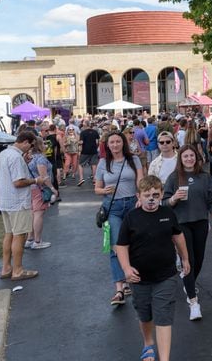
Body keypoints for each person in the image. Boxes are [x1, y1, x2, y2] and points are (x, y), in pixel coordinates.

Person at [115, 176, 191, 361]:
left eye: (155, 195)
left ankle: (164, 358)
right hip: (139, 278)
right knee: (144, 313)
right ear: (138, 196)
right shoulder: (131, 218)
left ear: (162, 195)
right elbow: (121, 246)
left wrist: (185, 258)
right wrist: (126, 269)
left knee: (163, 315)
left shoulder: (168, 214)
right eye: (147, 195)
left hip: (166, 275)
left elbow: (178, 236)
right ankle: (148, 343)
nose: (151, 199)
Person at [163, 145, 212, 320]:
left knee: (199, 259)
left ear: (197, 158)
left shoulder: (204, 177)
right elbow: (165, 202)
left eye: (192, 156)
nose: (189, 159)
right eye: (185, 156)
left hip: (201, 223)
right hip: (181, 225)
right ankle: (193, 302)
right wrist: (174, 198)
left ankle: (188, 282)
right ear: (180, 159)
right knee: (188, 260)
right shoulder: (174, 178)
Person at [95, 131, 144, 306]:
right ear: (107, 145)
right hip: (113, 207)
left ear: (123, 143)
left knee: (135, 242)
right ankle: (119, 289)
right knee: (116, 245)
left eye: (118, 142)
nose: (115, 145)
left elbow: (140, 181)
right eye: (112, 142)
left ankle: (132, 276)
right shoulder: (103, 163)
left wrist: (141, 197)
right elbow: (97, 188)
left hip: (132, 204)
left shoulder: (133, 160)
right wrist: (103, 191)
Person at [0, 131, 45, 281]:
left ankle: (6, 268)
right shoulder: (16, 157)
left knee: (9, 234)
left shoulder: (5, 153)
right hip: (18, 202)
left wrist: (25, 161)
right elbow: (18, 182)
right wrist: (36, 180)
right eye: (30, 146)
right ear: (25, 142)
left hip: (5, 201)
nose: (30, 149)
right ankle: (18, 270)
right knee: (20, 235)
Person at [25, 137, 58, 249]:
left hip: (30, 188)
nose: (45, 145)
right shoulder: (40, 159)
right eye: (43, 144)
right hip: (39, 188)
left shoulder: (29, 158)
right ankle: (37, 241)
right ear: (39, 146)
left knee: (32, 214)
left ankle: (30, 239)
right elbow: (44, 176)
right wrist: (52, 188)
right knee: (38, 214)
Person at [78, 119, 100, 186]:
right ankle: (95, 180)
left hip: (85, 151)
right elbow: (97, 142)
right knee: (94, 165)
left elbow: (81, 142)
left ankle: (81, 178)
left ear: (84, 125)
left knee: (80, 164)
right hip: (93, 150)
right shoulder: (95, 132)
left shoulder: (83, 132)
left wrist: (78, 143)